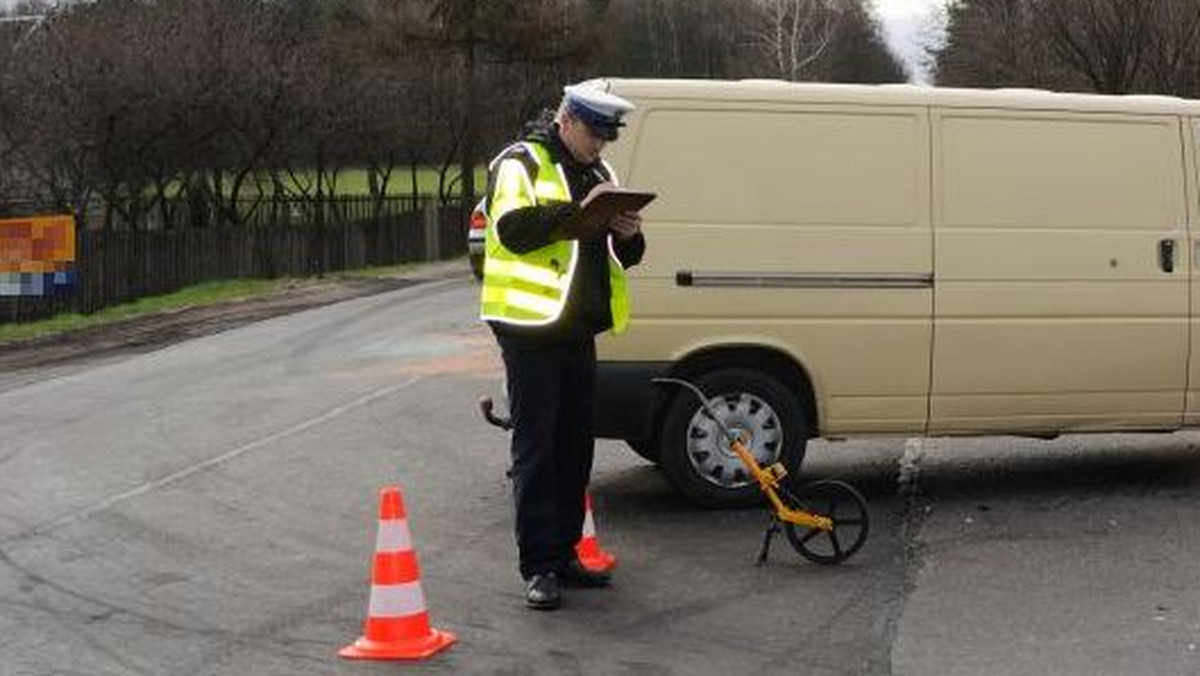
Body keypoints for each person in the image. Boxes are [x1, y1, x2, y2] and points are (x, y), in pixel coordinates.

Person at [479, 80, 646, 610]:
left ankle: (568, 553)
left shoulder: (601, 174)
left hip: (578, 329)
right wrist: (579, 214)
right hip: (529, 330)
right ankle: (539, 567)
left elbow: (629, 256)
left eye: (607, 138)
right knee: (537, 450)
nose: (600, 146)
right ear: (567, 119)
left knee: (576, 447)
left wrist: (627, 231)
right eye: (594, 134)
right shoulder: (520, 162)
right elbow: (512, 231)